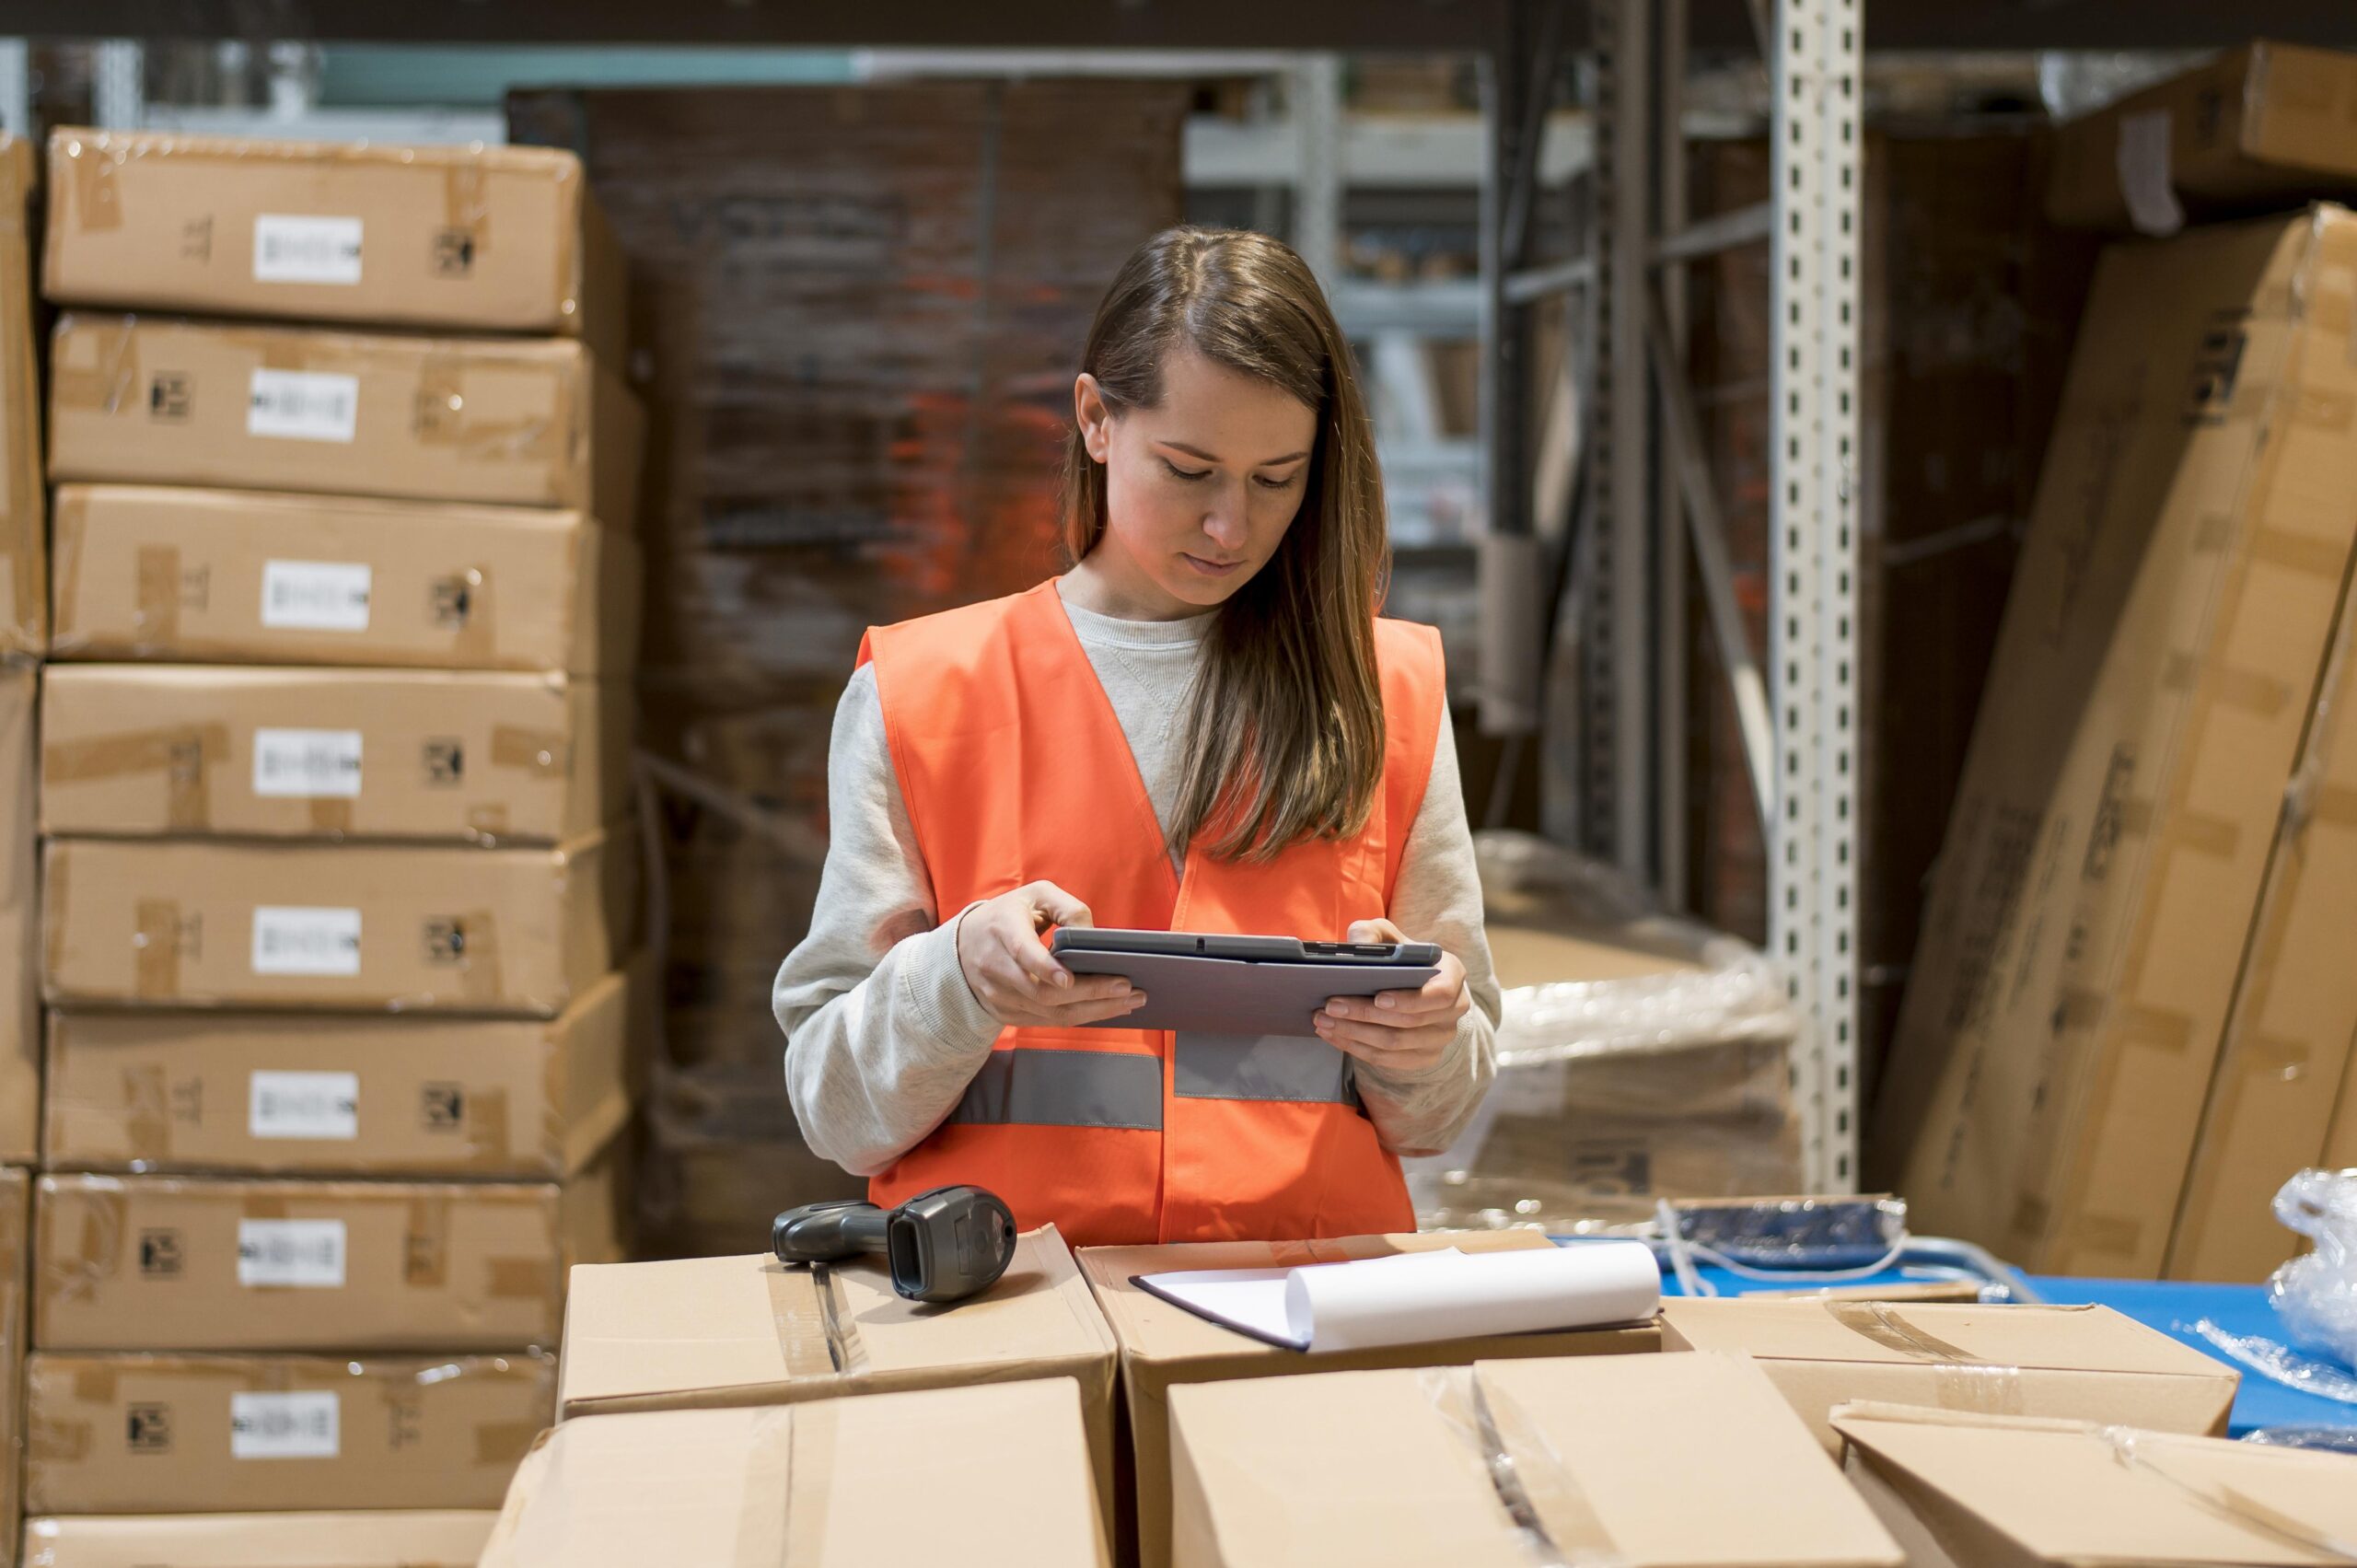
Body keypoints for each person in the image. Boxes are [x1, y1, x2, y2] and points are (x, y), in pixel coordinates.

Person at [775, 226, 1499, 1248]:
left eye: (1276, 477)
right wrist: (958, 982)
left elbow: (1441, 1112)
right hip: (1014, 1327)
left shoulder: (1387, 692)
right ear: (1095, 420)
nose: (1229, 528)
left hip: (1301, 1335)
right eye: (1189, 468)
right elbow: (834, 1112)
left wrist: (1419, 1040)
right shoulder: (923, 690)